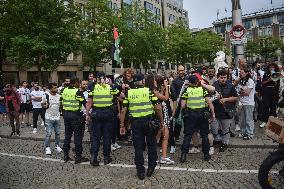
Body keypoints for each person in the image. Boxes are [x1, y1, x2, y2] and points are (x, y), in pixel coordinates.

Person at [120, 73, 163, 180]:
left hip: (136, 123)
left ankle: (140, 171)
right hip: (149, 122)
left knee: (138, 148)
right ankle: (151, 167)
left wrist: (122, 125)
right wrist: (161, 121)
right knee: (152, 145)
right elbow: (158, 108)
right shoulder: (148, 91)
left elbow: (123, 110)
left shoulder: (129, 93)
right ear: (142, 81)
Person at [86, 72, 121, 166]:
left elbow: (89, 102)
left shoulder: (93, 87)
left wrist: (87, 115)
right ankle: (106, 158)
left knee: (96, 137)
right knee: (107, 136)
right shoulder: (111, 87)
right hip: (108, 113)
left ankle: (93, 157)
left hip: (96, 113)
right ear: (105, 78)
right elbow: (121, 96)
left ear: (97, 78)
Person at [180, 75, 212, 162]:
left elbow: (182, 105)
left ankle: (183, 155)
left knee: (188, 135)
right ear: (197, 82)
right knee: (204, 135)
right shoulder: (203, 90)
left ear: (189, 82)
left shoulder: (187, 91)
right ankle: (206, 154)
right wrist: (213, 114)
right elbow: (209, 102)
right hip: (202, 115)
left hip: (191, 115)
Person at [61, 78, 88, 164]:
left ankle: (66, 155)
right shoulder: (78, 92)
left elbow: (61, 102)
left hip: (66, 115)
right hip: (76, 116)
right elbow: (85, 103)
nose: (79, 85)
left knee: (67, 136)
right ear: (76, 83)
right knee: (78, 137)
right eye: (79, 83)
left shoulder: (64, 91)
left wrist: (64, 113)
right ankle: (78, 157)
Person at [211, 70, 238, 152]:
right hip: (216, 111)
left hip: (227, 111)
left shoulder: (231, 86)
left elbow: (236, 98)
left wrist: (226, 99)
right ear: (218, 77)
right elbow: (209, 96)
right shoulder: (214, 85)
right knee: (214, 128)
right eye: (221, 77)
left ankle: (224, 143)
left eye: (225, 77)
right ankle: (218, 139)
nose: (223, 79)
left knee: (226, 129)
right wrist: (215, 97)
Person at [42, 83, 62, 155]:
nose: (56, 89)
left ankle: (57, 146)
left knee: (58, 133)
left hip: (57, 117)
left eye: (56, 87)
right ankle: (47, 147)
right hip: (48, 117)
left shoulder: (59, 96)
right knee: (49, 134)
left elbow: (60, 105)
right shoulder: (46, 95)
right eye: (54, 88)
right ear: (50, 89)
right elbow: (42, 104)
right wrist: (45, 105)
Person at [170, 65, 186, 153]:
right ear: (177, 71)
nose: (181, 72)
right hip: (178, 104)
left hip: (188, 104)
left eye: (182, 70)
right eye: (180, 70)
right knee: (177, 121)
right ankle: (176, 136)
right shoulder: (175, 81)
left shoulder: (187, 79)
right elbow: (173, 94)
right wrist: (174, 106)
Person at [260, 63, 280, 128]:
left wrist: (274, 78)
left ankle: (273, 122)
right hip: (266, 91)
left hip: (273, 92)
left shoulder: (277, 74)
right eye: (270, 67)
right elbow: (263, 83)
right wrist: (269, 80)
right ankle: (265, 121)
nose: (271, 68)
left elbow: (277, 84)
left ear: (275, 68)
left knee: (273, 107)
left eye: (273, 67)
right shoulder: (265, 74)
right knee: (265, 107)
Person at [237, 68, 255, 140]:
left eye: (242, 72)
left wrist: (241, 92)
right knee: (243, 119)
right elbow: (238, 91)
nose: (240, 74)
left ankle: (250, 133)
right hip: (242, 102)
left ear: (246, 73)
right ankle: (244, 132)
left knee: (249, 119)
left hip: (249, 103)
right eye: (240, 72)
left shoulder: (250, 81)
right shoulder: (241, 81)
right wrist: (242, 92)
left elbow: (247, 93)